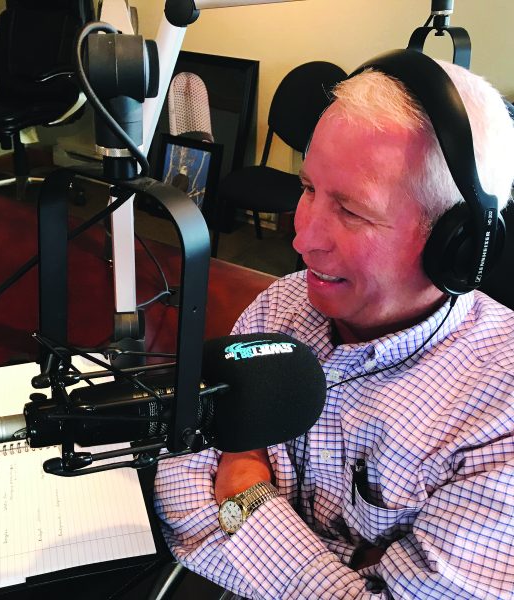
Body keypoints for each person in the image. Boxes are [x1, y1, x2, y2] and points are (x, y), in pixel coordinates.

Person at [153, 57, 514, 599]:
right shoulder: (282, 305)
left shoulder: (502, 417)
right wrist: (349, 571)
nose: (302, 241)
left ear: (455, 244)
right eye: (307, 188)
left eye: (351, 211)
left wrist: (245, 485)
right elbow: (180, 478)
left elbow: (211, 502)